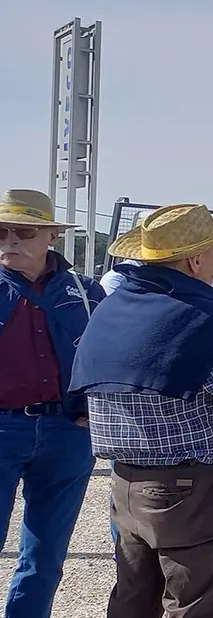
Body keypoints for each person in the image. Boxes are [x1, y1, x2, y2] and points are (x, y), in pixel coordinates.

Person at [68, 203, 213, 618]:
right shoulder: (203, 317)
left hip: (125, 482)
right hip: (191, 486)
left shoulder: (109, 310)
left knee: (132, 601)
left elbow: (82, 401)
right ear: (196, 259)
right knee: (196, 605)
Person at [0, 189, 103, 618]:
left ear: (51, 237)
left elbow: (110, 355)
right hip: (2, 428)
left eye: (23, 232)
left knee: (46, 551)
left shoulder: (86, 291)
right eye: (1, 233)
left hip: (66, 431)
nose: (10, 242)